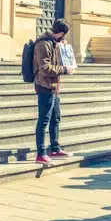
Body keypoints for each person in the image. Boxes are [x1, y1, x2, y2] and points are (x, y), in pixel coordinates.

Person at [33, 19, 75, 164]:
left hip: (53, 87)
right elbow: (45, 68)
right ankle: (41, 153)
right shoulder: (44, 44)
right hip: (45, 86)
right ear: (62, 33)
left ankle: (55, 148)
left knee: (55, 118)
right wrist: (64, 70)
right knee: (43, 120)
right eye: (65, 35)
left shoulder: (53, 43)